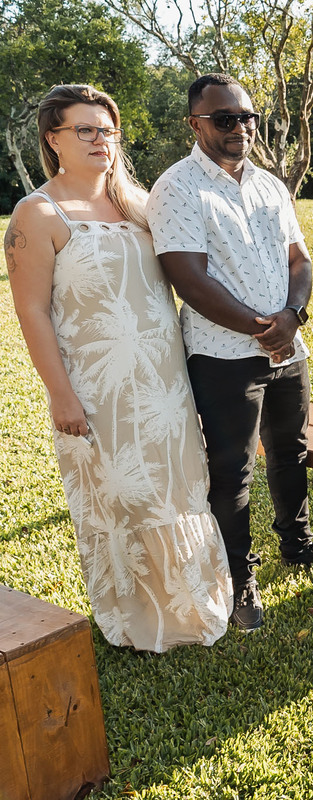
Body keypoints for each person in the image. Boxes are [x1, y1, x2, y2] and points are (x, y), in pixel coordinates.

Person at [3, 84, 232, 652]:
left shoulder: (140, 202)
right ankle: (138, 618)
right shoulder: (38, 213)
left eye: (107, 129)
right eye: (84, 129)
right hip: (98, 385)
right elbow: (31, 310)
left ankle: (194, 604)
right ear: (53, 139)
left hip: (165, 380)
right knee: (124, 496)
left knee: (181, 487)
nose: (100, 140)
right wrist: (60, 394)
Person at [147, 73, 313, 633]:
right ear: (196, 124)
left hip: (289, 347)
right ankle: (238, 579)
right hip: (222, 356)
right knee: (232, 472)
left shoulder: (268, 185)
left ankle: (299, 544)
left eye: (247, 117)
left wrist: (294, 317)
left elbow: (299, 259)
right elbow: (186, 277)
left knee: (291, 451)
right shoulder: (176, 188)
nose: (240, 127)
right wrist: (261, 328)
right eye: (225, 119)